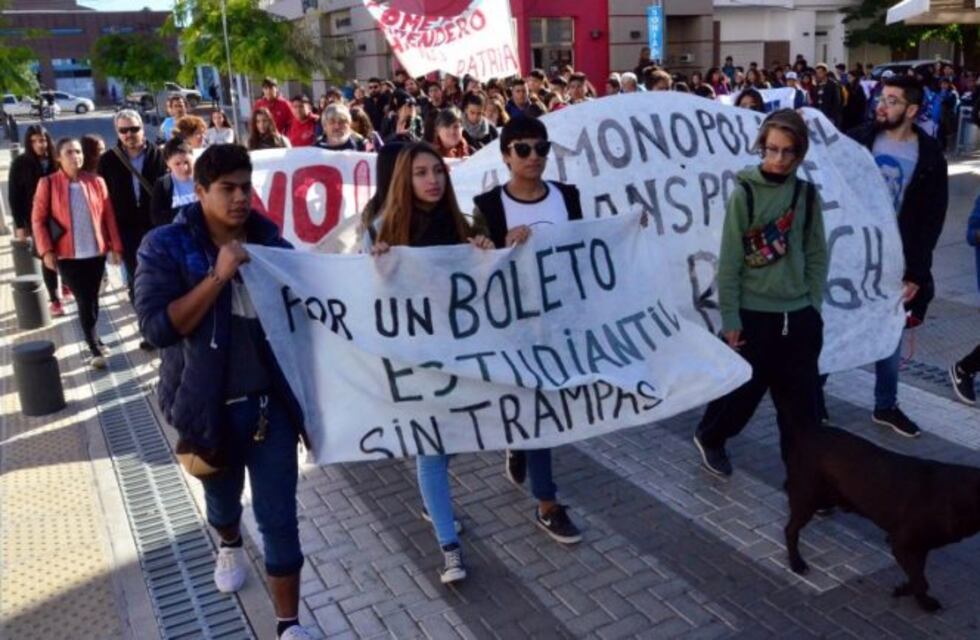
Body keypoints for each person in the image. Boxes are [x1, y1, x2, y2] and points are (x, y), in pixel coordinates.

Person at [134, 144, 315, 640]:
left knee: (280, 519)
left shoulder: (269, 238)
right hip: (207, 408)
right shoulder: (165, 245)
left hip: (269, 409)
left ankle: (288, 624)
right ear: (200, 192)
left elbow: (312, 299)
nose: (239, 199)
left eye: (245, 187)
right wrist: (219, 275)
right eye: (227, 189)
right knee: (222, 504)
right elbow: (156, 328)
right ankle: (229, 541)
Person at [369, 143, 495, 584]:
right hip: (417, 357)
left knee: (458, 434)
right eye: (421, 172)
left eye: (438, 171)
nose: (432, 180)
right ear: (406, 179)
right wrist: (378, 267)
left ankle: (432, 501)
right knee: (432, 448)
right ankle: (449, 547)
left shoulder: (463, 225)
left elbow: (484, 287)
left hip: (463, 351)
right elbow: (375, 299)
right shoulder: (384, 229)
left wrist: (484, 251)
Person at [692, 109, 826, 477]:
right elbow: (730, 261)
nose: (778, 159)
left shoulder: (806, 195)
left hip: (798, 316)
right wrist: (731, 317)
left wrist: (812, 306)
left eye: (788, 152)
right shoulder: (745, 194)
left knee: (801, 408)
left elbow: (817, 253)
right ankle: (711, 436)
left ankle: (803, 480)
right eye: (772, 149)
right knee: (741, 396)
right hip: (753, 316)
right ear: (761, 147)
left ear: (800, 154)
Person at [470, 116, 584, 545]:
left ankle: (520, 445)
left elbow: (584, 246)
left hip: (559, 320)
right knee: (538, 408)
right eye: (522, 149)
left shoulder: (568, 197)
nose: (533, 157)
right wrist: (495, 245)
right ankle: (547, 503)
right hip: (513, 323)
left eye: (541, 148)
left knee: (546, 404)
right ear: (505, 156)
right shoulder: (489, 206)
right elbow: (476, 266)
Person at [845, 75, 948, 437]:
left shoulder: (931, 154)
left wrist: (917, 274)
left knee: (889, 333)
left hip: (897, 261)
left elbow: (931, 220)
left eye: (891, 100)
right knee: (831, 321)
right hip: (851, 254)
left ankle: (885, 405)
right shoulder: (858, 140)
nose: (881, 106)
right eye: (881, 99)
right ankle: (813, 397)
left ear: (913, 109)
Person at [32, 137, 123, 369]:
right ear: (59, 158)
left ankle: (94, 336)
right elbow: (38, 220)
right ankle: (93, 346)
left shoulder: (96, 181)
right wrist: (46, 251)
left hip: (95, 251)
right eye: (70, 153)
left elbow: (109, 216)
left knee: (92, 298)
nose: (76, 157)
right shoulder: (48, 183)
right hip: (67, 254)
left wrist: (115, 246)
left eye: (79, 152)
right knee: (83, 299)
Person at [98, 109, 167, 319]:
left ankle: (162, 319)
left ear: (142, 128)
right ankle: (146, 326)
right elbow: (103, 202)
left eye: (134, 129)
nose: (129, 134)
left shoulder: (159, 155)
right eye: (123, 130)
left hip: (155, 227)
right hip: (125, 229)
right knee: (136, 279)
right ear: (117, 133)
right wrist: (108, 239)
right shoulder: (108, 160)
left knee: (160, 276)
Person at [9, 124, 63, 316]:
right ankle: (54, 298)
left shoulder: (57, 159)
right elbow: (14, 196)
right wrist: (20, 225)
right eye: (34, 141)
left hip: (62, 216)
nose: (39, 145)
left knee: (65, 252)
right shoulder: (21, 163)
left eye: (42, 140)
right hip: (37, 219)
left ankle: (66, 284)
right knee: (46, 255)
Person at [150, 137, 198, 227]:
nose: (184, 168)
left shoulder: (205, 179)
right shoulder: (163, 184)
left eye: (187, 162)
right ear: (168, 163)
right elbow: (157, 218)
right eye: (177, 164)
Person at [813, 63, 843, 128]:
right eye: (817, 73)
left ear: (825, 72)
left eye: (820, 72)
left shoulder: (833, 84)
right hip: (819, 114)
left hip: (829, 115)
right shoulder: (817, 85)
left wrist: (833, 115)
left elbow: (837, 101)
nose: (818, 75)